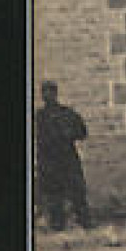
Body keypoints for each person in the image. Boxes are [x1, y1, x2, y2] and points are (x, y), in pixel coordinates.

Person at [35, 81, 91, 230]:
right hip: (49, 160)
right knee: (53, 192)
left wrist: (69, 134)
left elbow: (82, 133)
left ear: (55, 94)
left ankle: (84, 220)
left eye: (50, 92)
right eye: (44, 93)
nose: (47, 96)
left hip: (67, 157)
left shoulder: (68, 113)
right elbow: (39, 138)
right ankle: (57, 223)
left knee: (77, 189)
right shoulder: (39, 116)